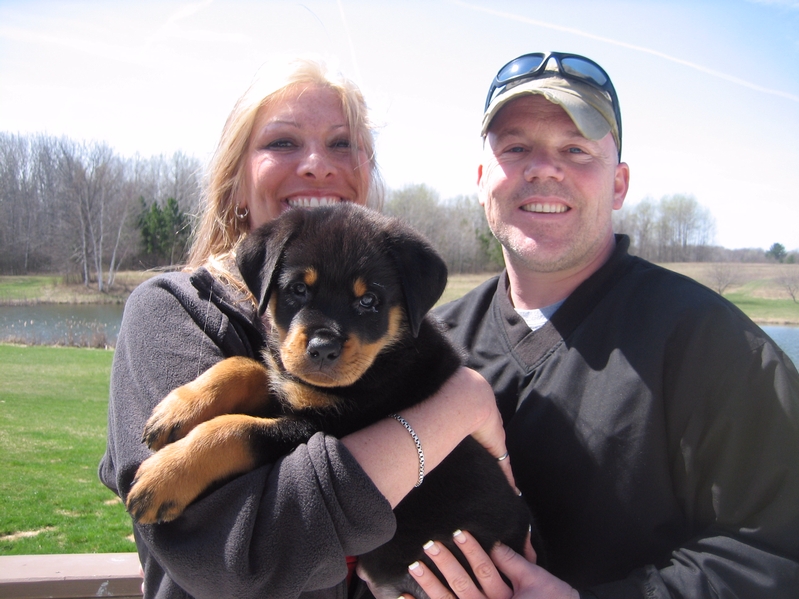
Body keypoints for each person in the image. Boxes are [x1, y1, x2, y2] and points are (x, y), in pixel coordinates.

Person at [98, 56, 509, 599]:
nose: (316, 165)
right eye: (283, 142)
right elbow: (236, 559)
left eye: (341, 144)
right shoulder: (174, 312)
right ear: (236, 177)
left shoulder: (409, 337)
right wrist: (458, 408)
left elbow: (309, 428)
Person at [416, 51, 799, 598]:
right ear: (482, 181)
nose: (543, 168)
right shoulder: (428, 347)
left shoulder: (715, 346)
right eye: (515, 148)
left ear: (618, 185)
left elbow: (778, 553)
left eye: (576, 150)